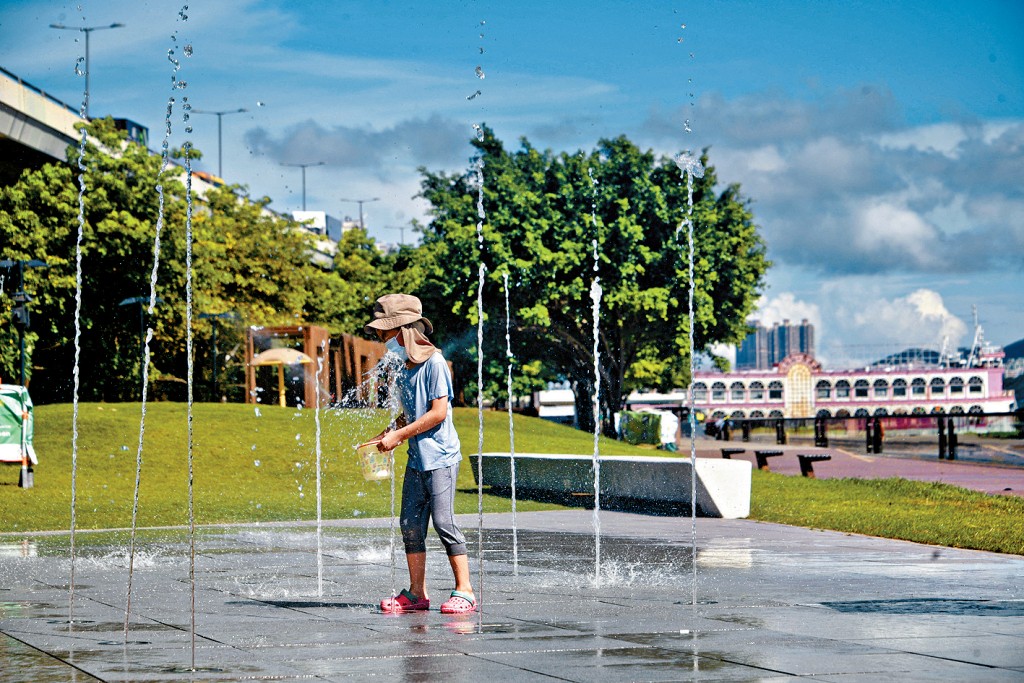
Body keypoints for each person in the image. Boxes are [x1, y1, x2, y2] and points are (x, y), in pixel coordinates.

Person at [363, 293, 476, 615]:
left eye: (384, 333)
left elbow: (438, 412)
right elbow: (410, 413)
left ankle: (465, 591)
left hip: (440, 457)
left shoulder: (435, 364)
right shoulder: (404, 367)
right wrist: (389, 433)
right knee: (410, 524)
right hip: (417, 458)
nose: (381, 339)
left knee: (443, 523)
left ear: (402, 330)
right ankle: (416, 594)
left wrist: (400, 434)